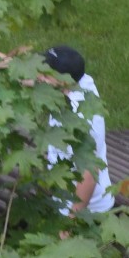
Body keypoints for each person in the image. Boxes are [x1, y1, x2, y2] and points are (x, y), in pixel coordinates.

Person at [42, 45, 115, 216]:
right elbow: (28, 74)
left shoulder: (79, 121)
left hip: (85, 209)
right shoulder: (81, 81)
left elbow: (89, 173)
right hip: (62, 191)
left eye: (46, 71)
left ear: (62, 81)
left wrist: (70, 223)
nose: (40, 73)